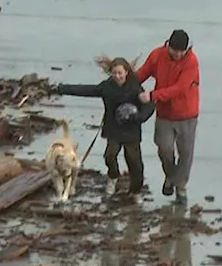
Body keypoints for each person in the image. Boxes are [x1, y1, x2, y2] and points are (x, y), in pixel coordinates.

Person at [52, 57, 154, 196]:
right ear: (111, 73)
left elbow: (149, 105)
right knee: (109, 156)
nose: (117, 76)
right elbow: (87, 90)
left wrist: (139, 117)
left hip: (131, 130)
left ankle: (135, 192)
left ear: (127, 72)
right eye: (114, 73)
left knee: (134, 162)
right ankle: (113, 177)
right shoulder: (107, 87)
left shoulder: (135, 87)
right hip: (113, 129)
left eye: (120, 73)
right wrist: (63, 88)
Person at [134, 29, 200, 205]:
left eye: (181, 52)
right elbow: (142, 73)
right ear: (168, 45)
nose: (178, 54)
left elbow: (180, 88)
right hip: (164, 113)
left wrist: (153, 95)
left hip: (187, 114)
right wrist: (124, 83)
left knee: (186, 154)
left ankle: (181, 187)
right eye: (175, 50)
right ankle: (171, 176)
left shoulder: (191, 62)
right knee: (164, 148)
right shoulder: (157, 55)